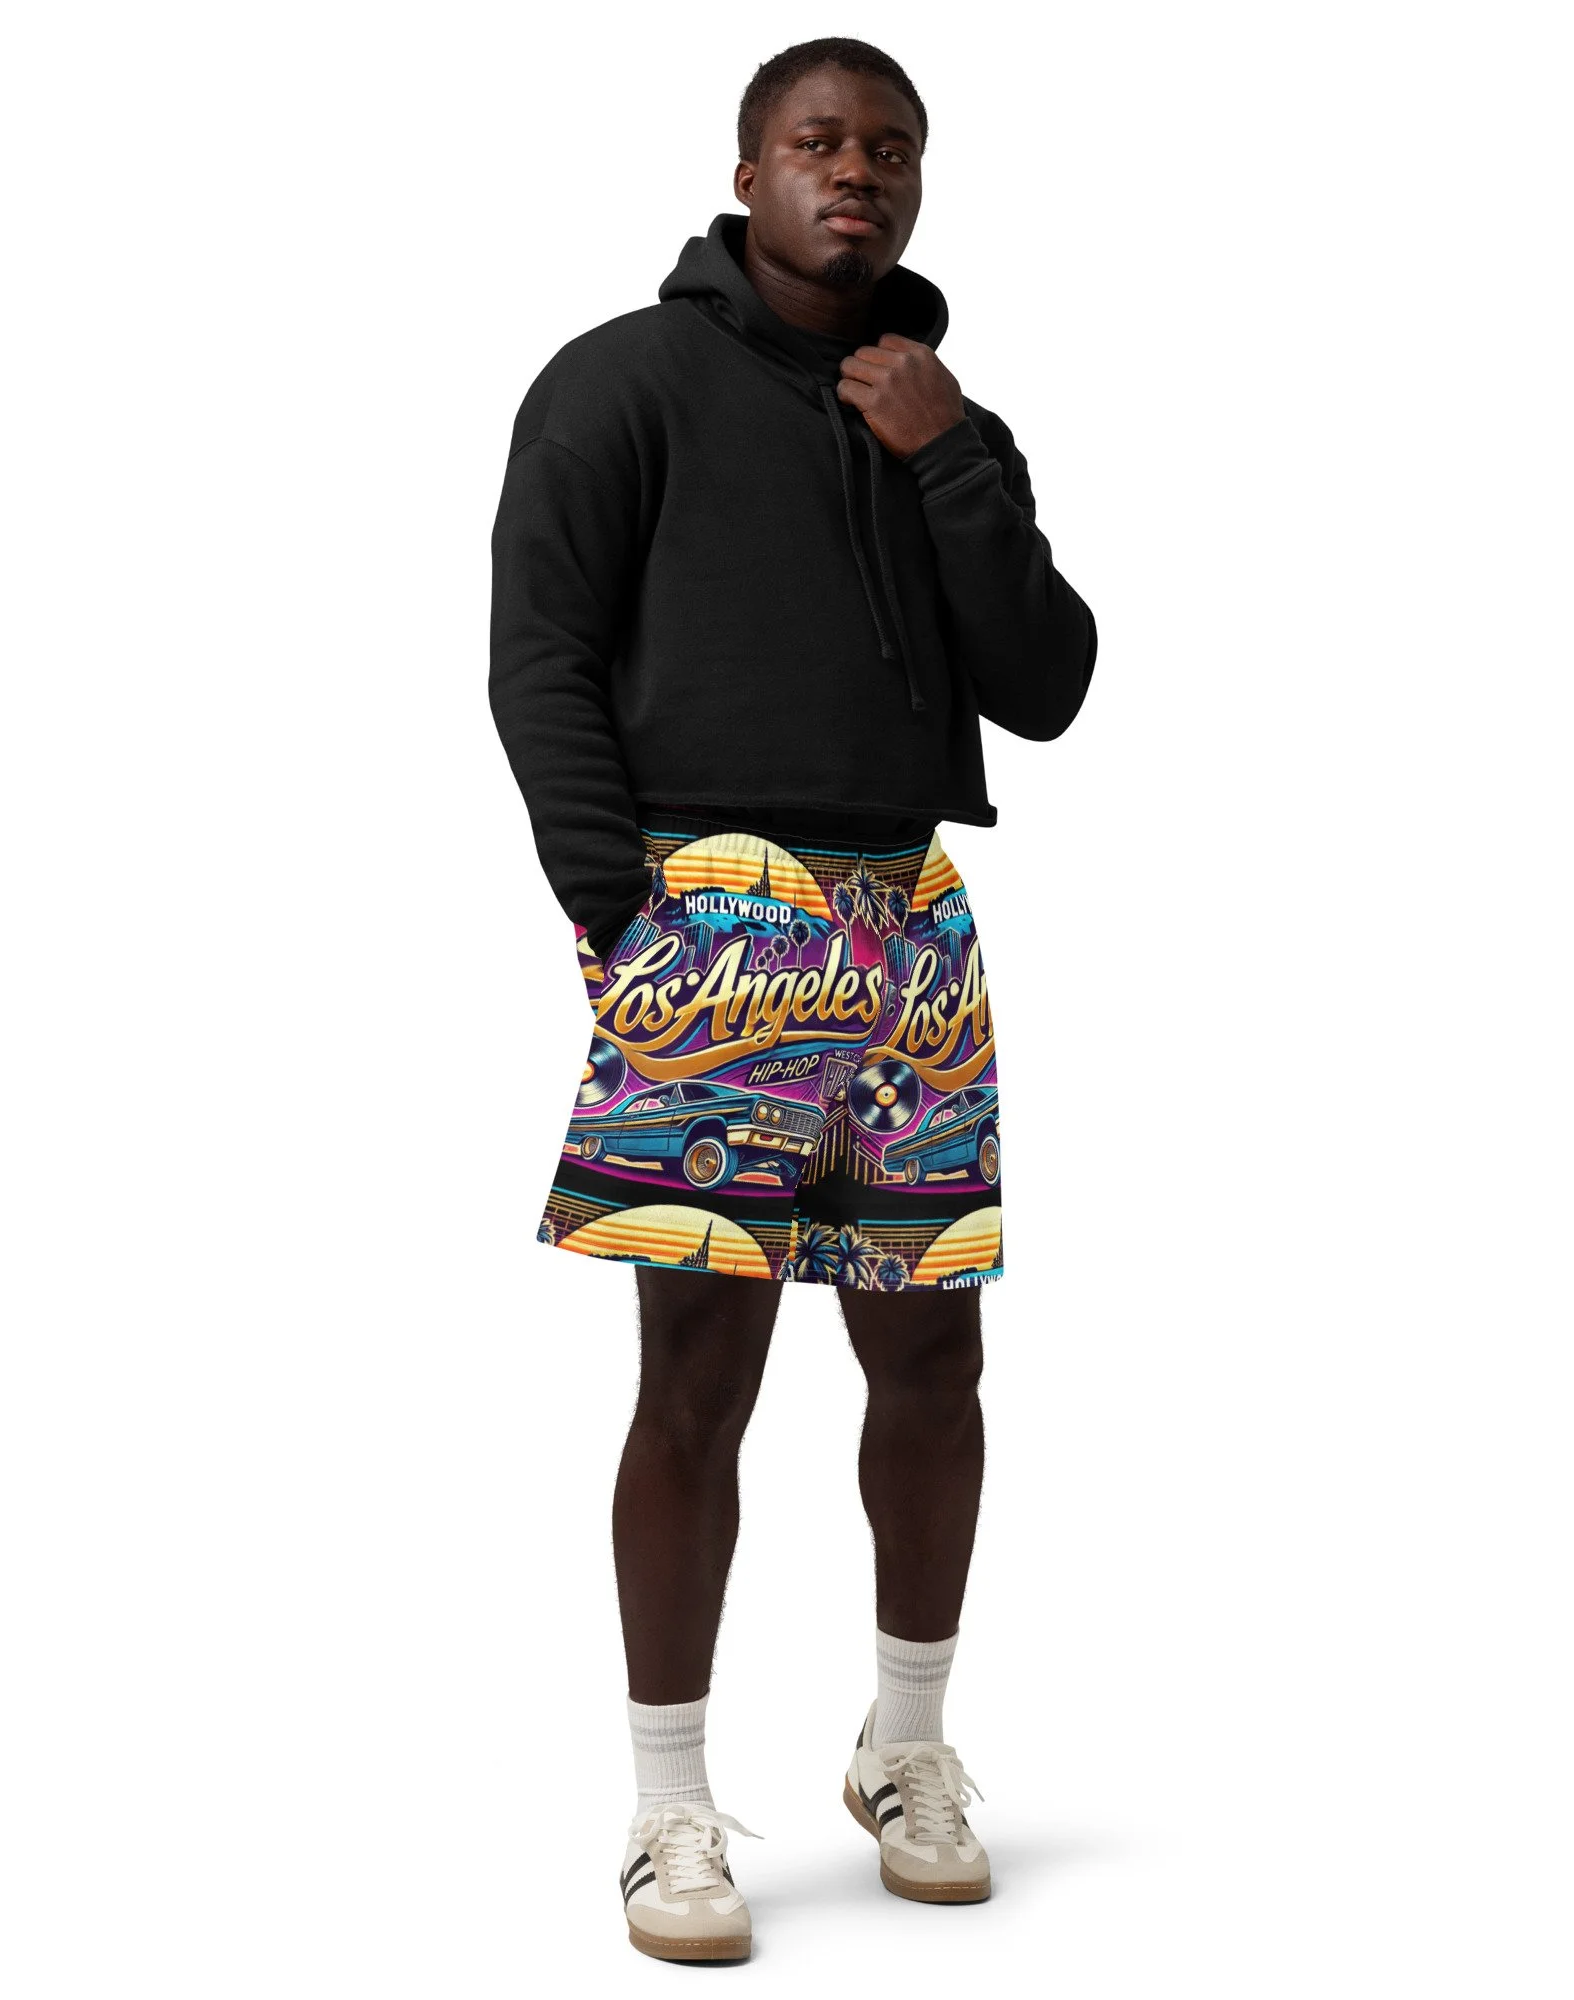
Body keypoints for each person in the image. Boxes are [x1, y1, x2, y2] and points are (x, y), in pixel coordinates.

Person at [489, 38, 1096, 1964]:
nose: (860, 172)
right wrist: (623, 921)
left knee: (934, 1362)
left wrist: (950, 454)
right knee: (698, 1374)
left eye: (891, 148)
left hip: (905, 926)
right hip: (711, 924)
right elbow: (538, 658)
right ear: (747, 168)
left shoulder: (938, 413)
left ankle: (904, 1748)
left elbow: (1049, 682)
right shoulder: (620, 384)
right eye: (820, 141)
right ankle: (670, 1808)